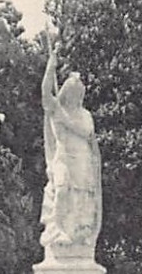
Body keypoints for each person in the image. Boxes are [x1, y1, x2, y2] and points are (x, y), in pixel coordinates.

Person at [39, 34, 102, 254]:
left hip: (82, 158)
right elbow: (45, 91)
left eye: (79, 94)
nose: (76, 96)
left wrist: (68, 122)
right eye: (73, 93)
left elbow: (87, 132)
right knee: (62, 189)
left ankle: (78, 230)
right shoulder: (56, 109)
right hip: (63, 156)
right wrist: (51, 65)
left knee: (82, 195)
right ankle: (56, 228)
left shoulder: (84, 114)